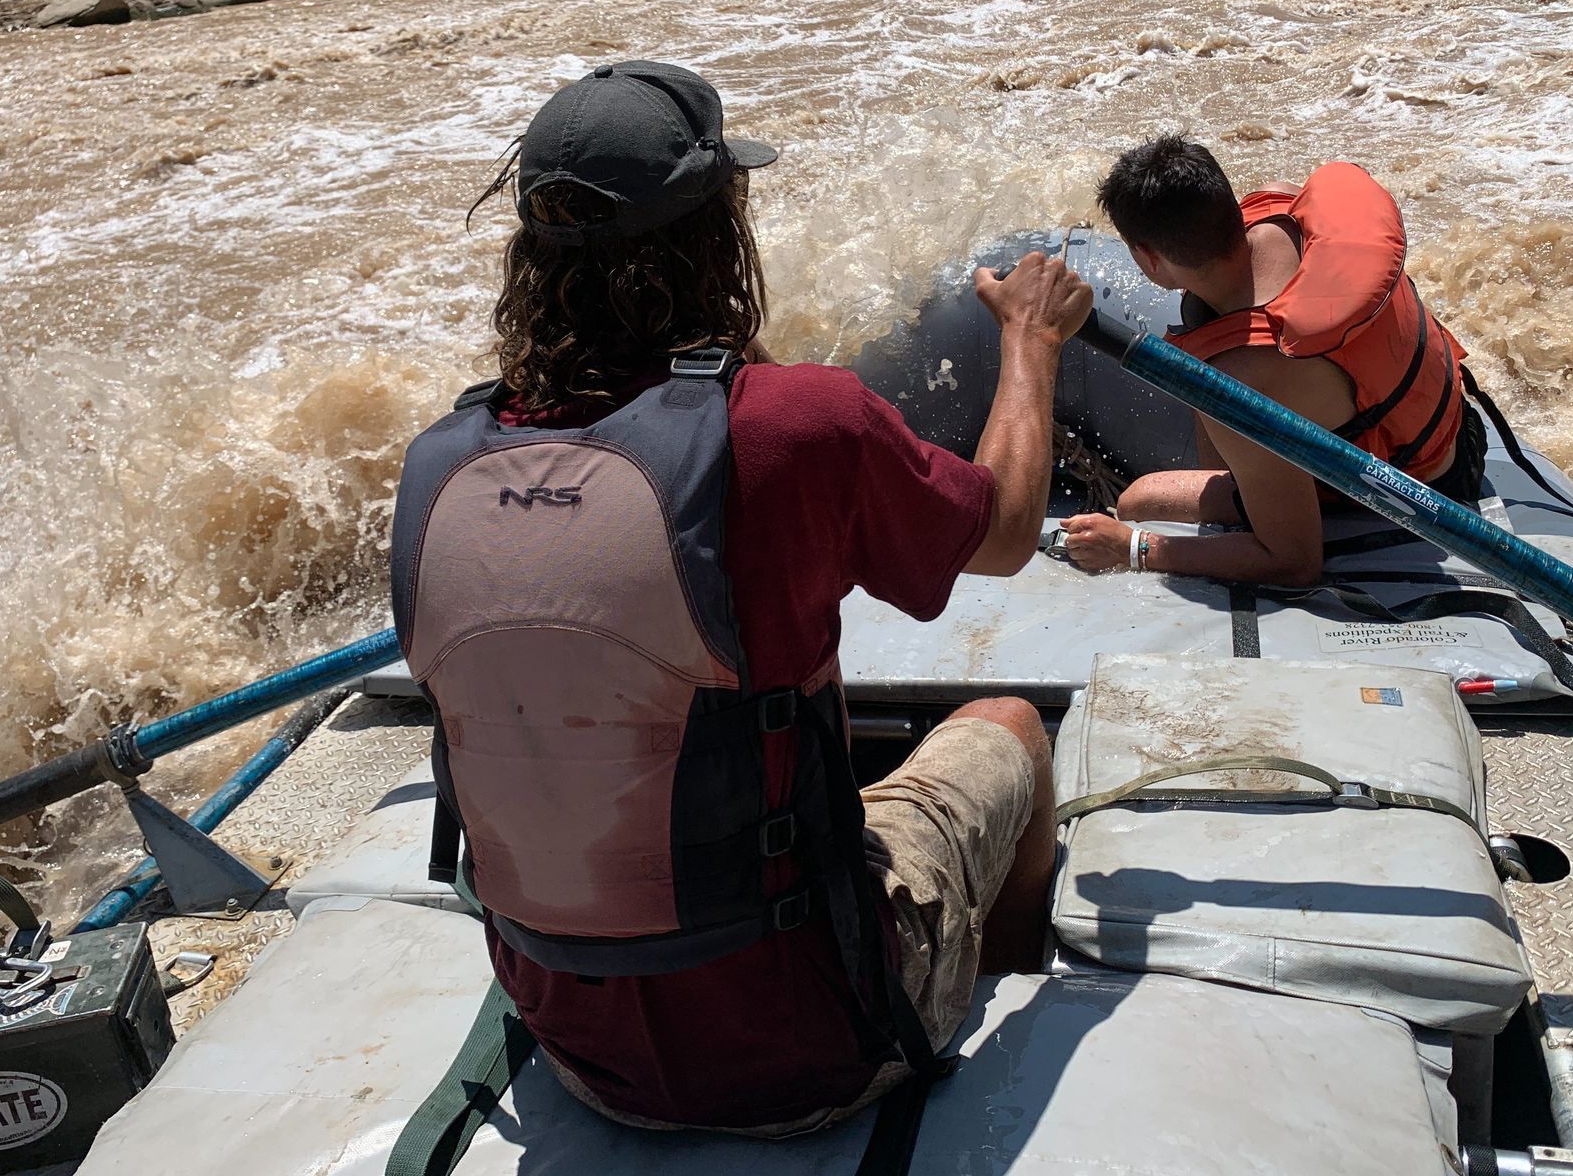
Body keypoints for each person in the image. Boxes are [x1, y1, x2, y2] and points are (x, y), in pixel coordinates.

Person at [389, 60, 1093, 1136]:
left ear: (529, 256)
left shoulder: (442, 464)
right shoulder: (797, 428)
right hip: (814, 1048)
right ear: (723, 237)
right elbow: (998, 531)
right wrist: (1031, 345)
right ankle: (973, 1022)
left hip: (585, 1056)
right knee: (1009, 732)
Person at [1060, 135, 1486, 587]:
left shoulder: (1243, 380)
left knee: (1138, 502)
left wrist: (1134, 547)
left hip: (1420, 488)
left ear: (1148, 259)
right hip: (1456, 421)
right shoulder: (1282, 206)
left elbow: (1291, 562)